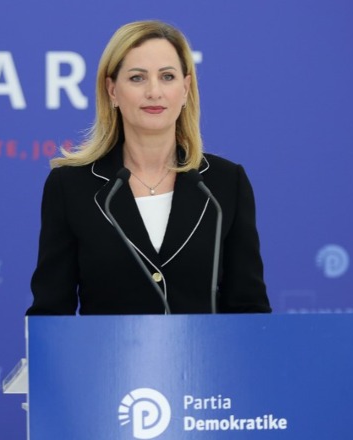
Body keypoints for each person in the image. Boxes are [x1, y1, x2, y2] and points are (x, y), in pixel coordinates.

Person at [27, 20, 271, 315]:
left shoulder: (225, 183)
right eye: (137, 78)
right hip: (108, 348)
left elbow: (250, 310)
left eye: (167, 77)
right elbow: (51, 314)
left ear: (185, 88)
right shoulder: (70, 186)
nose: (154, 92)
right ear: (112, 90)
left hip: (203, 349)